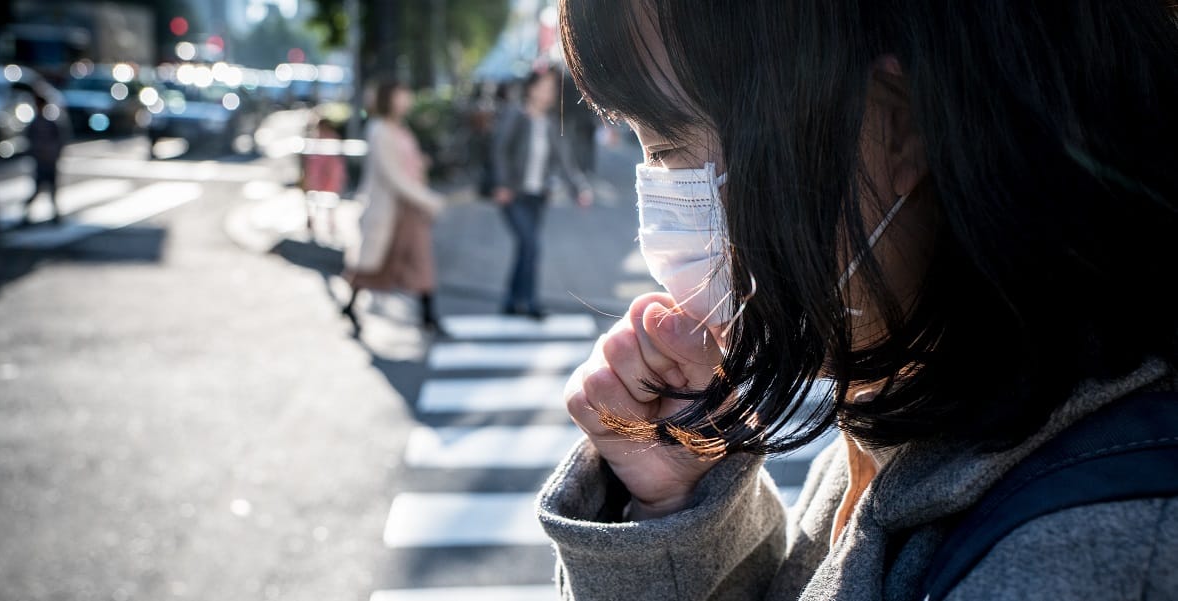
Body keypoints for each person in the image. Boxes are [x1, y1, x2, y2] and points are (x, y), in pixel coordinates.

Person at [538, 1, 1178, 600]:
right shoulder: (900, 422)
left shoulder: (1084, 556)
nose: (661, 209)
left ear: (901, 126)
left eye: (671, 150)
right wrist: (672, 505)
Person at [342, 81, 446, 333]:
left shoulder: (400, 128)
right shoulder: (378, 130)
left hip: (408, 209)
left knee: (421, 260)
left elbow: (407, 166)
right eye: (401, 96)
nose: (407, 101)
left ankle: (428, 315)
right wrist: (428, 199)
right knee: (374, 263)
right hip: (390, 208)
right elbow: (393, 175)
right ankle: (351, 304)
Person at [491, 67, 593, 318]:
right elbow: (499, 151)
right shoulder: (516, 115)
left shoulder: (549, 123)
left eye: (552, 89)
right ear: (531, 88)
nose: (549, 93)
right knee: (530, 245)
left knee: (527, 248)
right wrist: (502, 184)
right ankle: (530, 303)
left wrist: (577, 189)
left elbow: (564, 159)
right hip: (514, 195)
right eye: (545, 87)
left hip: (537, 198)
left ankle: (512, 301)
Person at [24, 94, 69, 226]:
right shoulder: (35, 123)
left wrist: (56, 153)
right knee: (39, 188)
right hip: (41, 160)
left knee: (52, 188)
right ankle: (27, 212)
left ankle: (55, 214)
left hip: (50, 159)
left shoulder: (51, 123)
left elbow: (60, 139)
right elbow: (29, 140)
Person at [301, 115, 347, 239]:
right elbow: (310, 162)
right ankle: (312, 225)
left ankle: (330, 227)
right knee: (314, 203)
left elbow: (336, 163)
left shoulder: (331, 140)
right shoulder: (316, 140)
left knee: (328, 204)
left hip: (328, 178)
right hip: (316, 178)